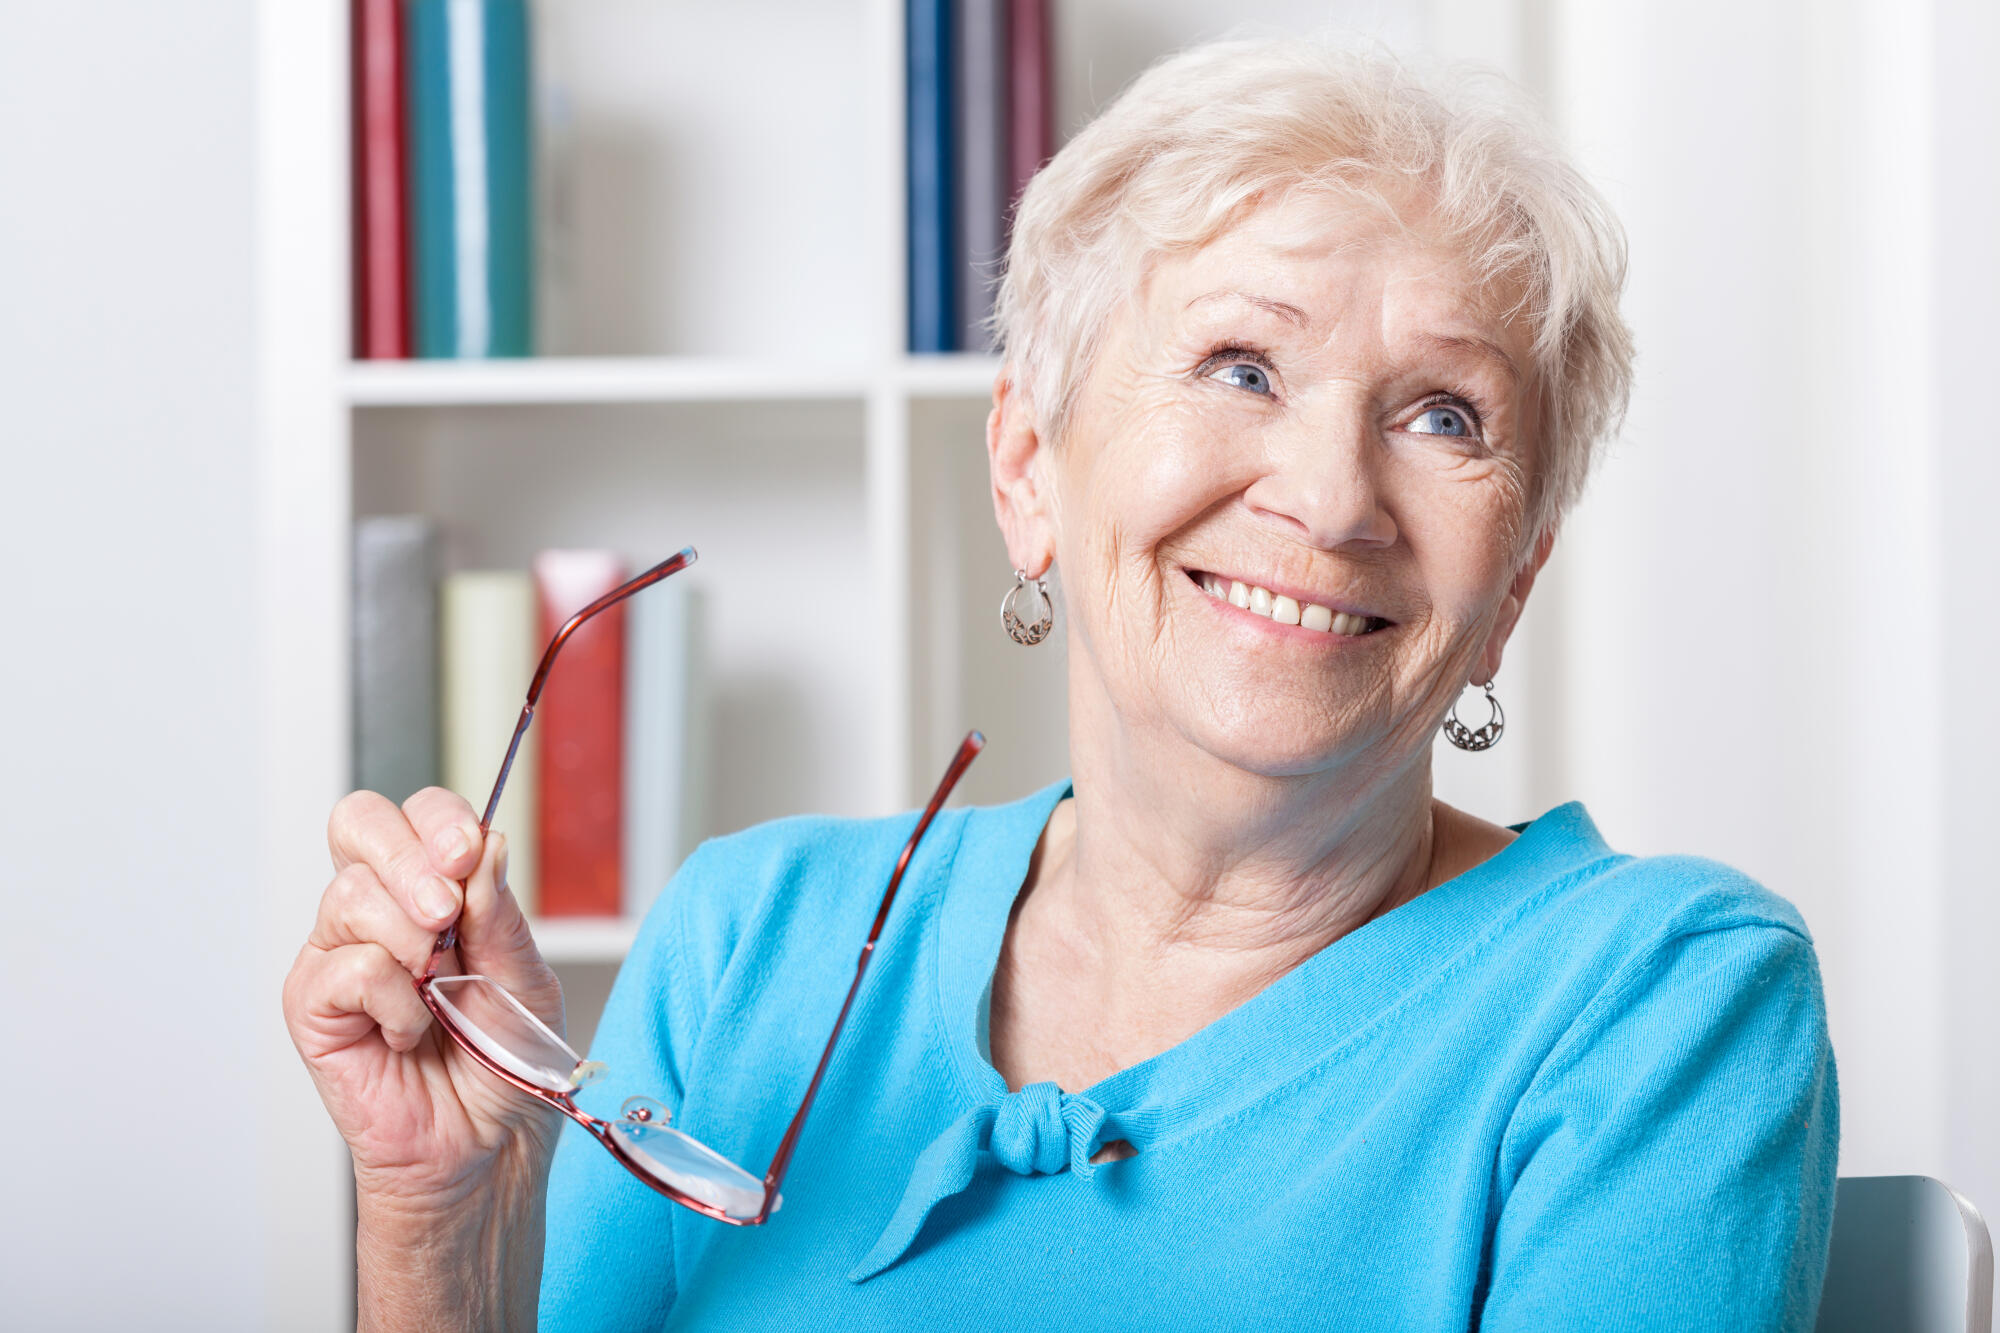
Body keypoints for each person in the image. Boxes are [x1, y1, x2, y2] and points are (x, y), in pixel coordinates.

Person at [284, 39, 1837, 1331]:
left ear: (1513, 587)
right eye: (1242, 366)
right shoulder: (744, 939)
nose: (1329, 497)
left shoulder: (1660, 1004)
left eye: (1444, 415)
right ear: (1029, 465)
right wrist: (433, 1225)